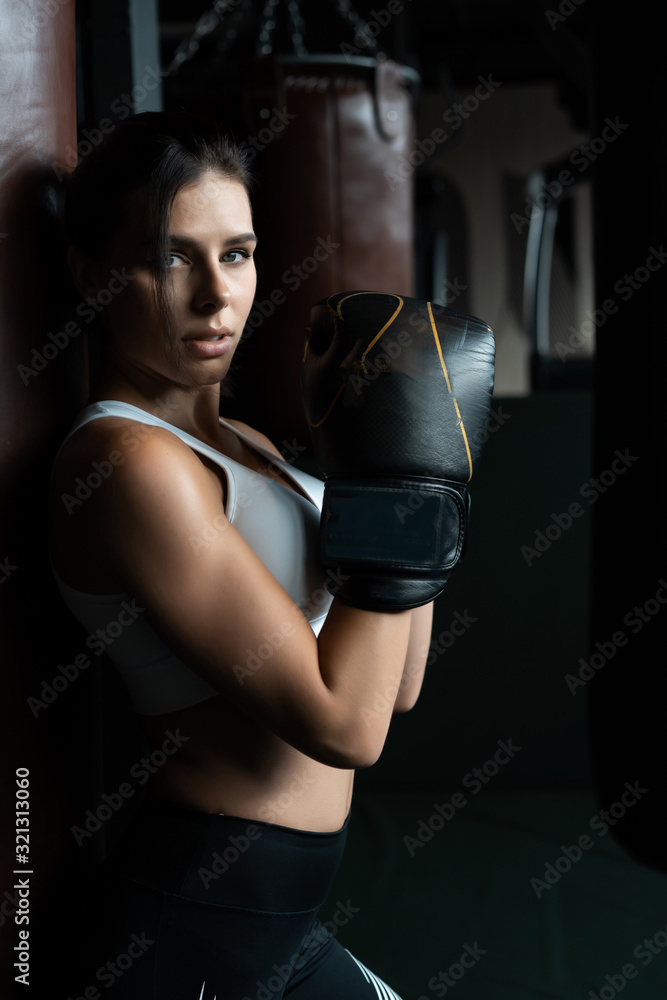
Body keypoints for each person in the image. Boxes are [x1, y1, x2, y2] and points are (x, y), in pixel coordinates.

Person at [48, 110, 433, 999]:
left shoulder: (252, 444)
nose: (216, 295)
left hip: (283, 921)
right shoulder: (125, 463)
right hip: (197, 928)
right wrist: (399, 495)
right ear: (92, 274)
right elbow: (345, 725)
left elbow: (396, 684)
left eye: (237, 252)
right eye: (171, 256)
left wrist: (406, 477)